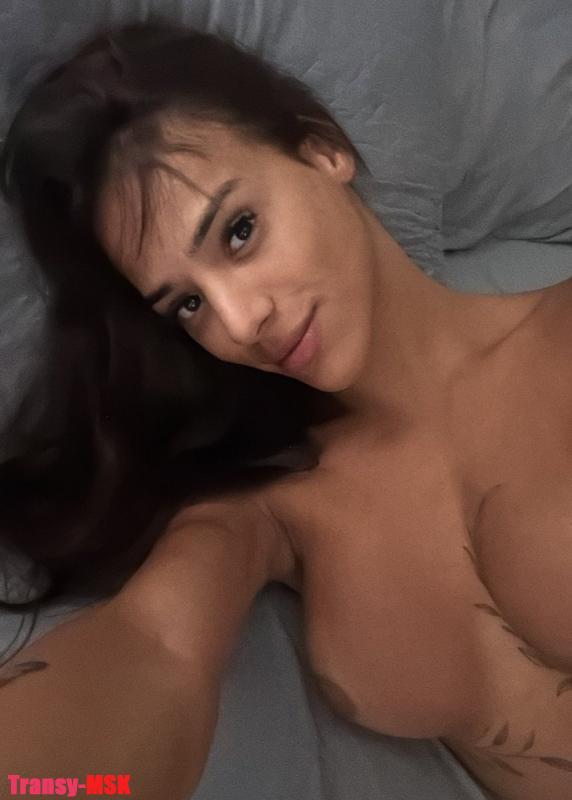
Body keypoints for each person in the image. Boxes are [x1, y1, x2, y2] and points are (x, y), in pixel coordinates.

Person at [0, 20, 571, 800]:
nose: (239, 323)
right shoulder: (269, 509)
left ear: (323, 149)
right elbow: (156, 646)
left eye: (239, 232)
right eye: (188, 305)